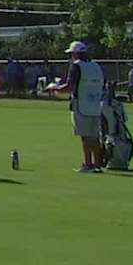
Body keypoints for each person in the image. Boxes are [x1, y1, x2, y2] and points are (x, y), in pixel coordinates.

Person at [48, 40, 107, 173]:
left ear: (75, 53)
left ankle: (88, 164)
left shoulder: (76, 66)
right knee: (94, 136)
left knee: (85, 136)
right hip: (96, 104)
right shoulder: (96, 66)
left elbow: (70, 86)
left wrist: (55, 88)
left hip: (81, 104)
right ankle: (97, 165)